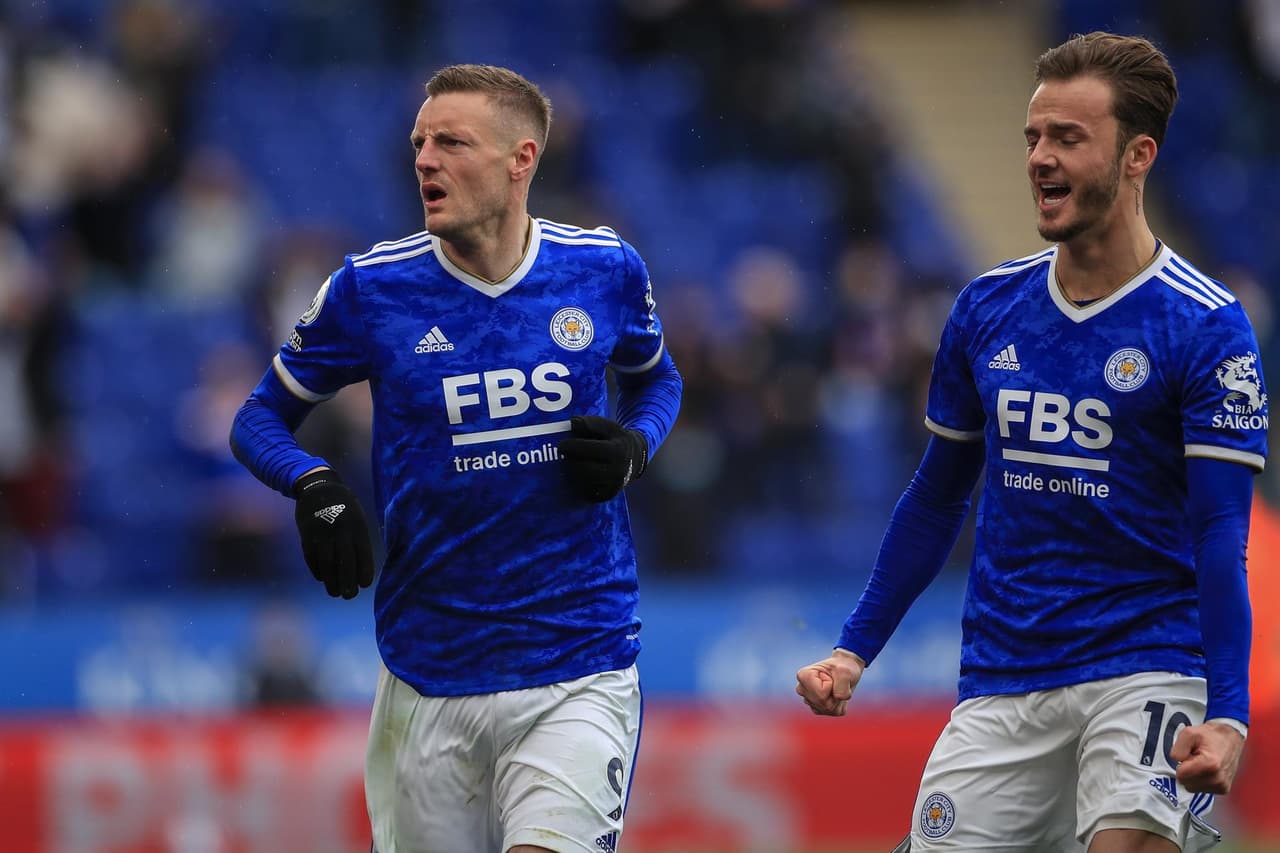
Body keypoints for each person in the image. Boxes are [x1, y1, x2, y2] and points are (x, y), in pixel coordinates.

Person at [796, 32, 1266, 853]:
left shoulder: (1205, 325)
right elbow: (938, 496)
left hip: (1149, 661)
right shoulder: (986, 309)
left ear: (1137, 156)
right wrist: (854, 648)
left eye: (1068, 139)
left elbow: (1221, 532)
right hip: (1005, 674)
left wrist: (1227, 711)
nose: (1040, 159)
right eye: (1033, 138)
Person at [230, 63, 682, 853]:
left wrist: (635, 447)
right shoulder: (371, 290)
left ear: (522, 159)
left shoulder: (603, 268)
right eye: (418, 142)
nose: (425, 160)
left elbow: (658, 382)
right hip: (430, 670)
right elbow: (260, 418)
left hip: (580, 658)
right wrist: (315, 484)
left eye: (451, 142)